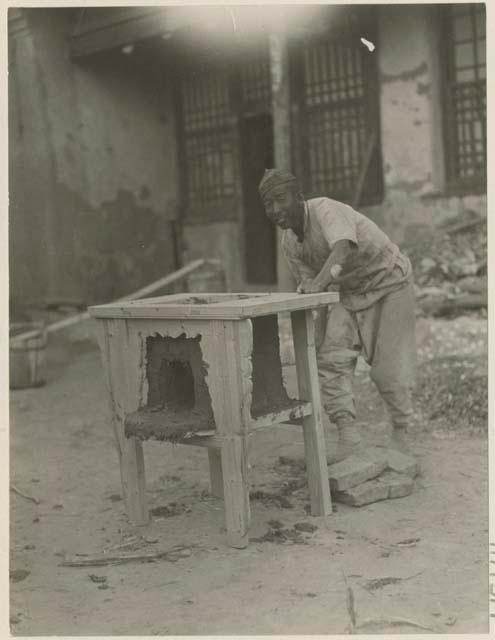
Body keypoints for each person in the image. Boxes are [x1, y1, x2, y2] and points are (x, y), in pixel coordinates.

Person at [258, 168, 417, 456]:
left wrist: (318, 283)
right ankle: (349, 438)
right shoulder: (290, 243)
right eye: (268, 204)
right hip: (351, 292)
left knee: (387, 370)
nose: (276, 209)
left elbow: (342, 250)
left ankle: (402, 431)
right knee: (330, 361)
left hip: (390, 281)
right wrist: (318, 339)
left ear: (299, 197)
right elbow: (314, 293)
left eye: (281, 199)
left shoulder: (326, 210)